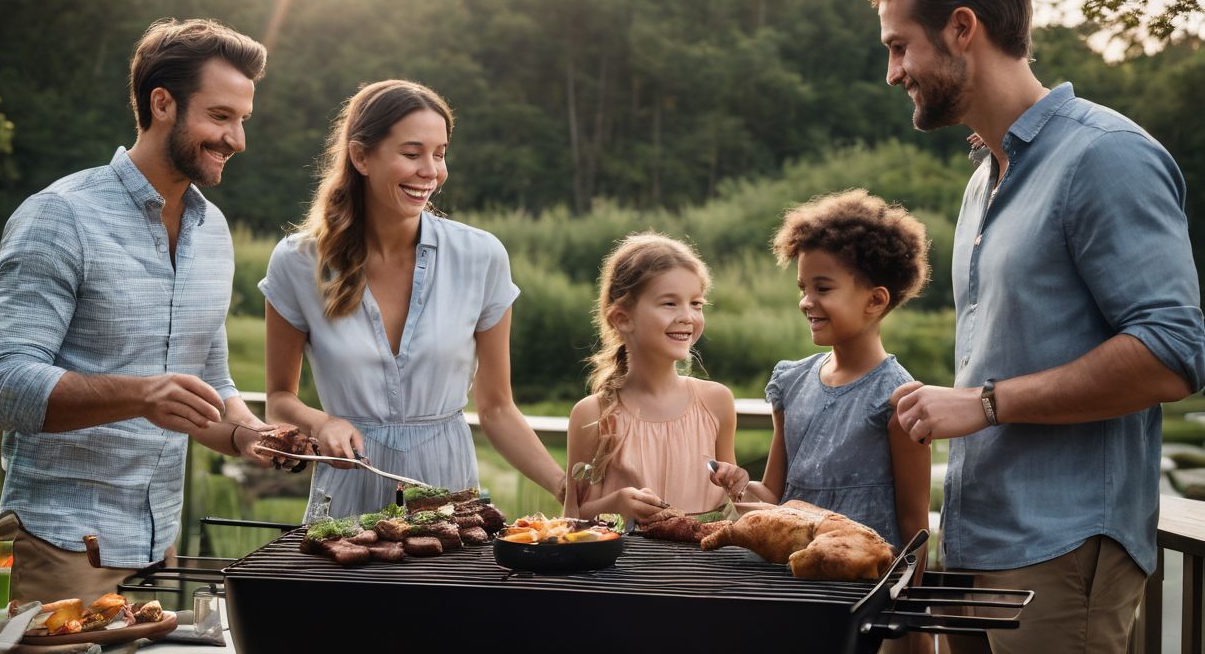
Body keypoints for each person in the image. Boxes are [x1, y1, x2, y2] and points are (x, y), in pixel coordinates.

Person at [854, 0, 1205, 654]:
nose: (893, 72)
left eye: (898, 45)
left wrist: (983, 403)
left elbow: (1174, 354)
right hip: (977, 543)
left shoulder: (1105, 156)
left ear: (961, 29)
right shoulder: (984, 179)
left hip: (1064, 552)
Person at [0, 18, 280, 604]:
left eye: (242, 120)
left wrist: (250, 434)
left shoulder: (213, 231)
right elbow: (6, 389)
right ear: (161, 103)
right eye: (220, 117)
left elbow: (212, 383)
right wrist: (144, 394)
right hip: (58, 547)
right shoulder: (59, 216)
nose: (237, 139)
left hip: (157, 546)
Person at [261, 79, 564, 517]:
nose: (431, 171)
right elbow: (278, 399)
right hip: (346, 494)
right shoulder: (297, 262)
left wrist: (562, 485)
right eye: (411, 153)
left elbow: (497, 408)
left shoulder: (481, 257)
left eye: (440, 154)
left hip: (448, 497)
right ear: (361, 156)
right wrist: (323, 422)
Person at [709, 189, 931, 554]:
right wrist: (739, 484)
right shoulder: (791, 383)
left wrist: (909, 603)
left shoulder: (899, 399)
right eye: (803, 288)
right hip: (789, 579)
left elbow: (913, 524)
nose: (806, 302)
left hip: (858, 589)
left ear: (875, 300)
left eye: (822, 288)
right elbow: (773, 496)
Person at [563, 232, 737, 520]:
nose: (688, 317)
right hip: (628, 566)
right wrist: (615, 504)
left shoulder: (717, 402)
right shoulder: (592, 415)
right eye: (670, 303)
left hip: (705, 565)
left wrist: (737, 481)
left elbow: (732, 504)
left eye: (696, 303)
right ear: (622, 319)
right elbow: (571, 520)